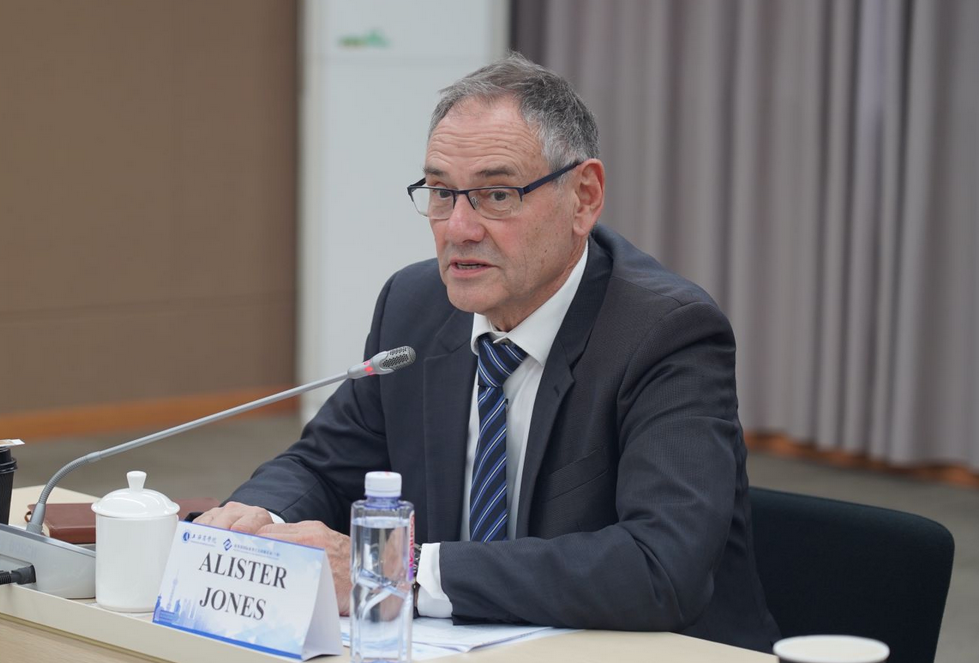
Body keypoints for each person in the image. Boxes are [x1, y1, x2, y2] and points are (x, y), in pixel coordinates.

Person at [194, 53, 780, 652]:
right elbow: (322, 466)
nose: (458, 228)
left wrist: (400, 572)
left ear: (584, 197)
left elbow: (661, 566)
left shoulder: (666, 333)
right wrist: (253, 523)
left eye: (497, 195)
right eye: (442, 193)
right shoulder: (414, 305)